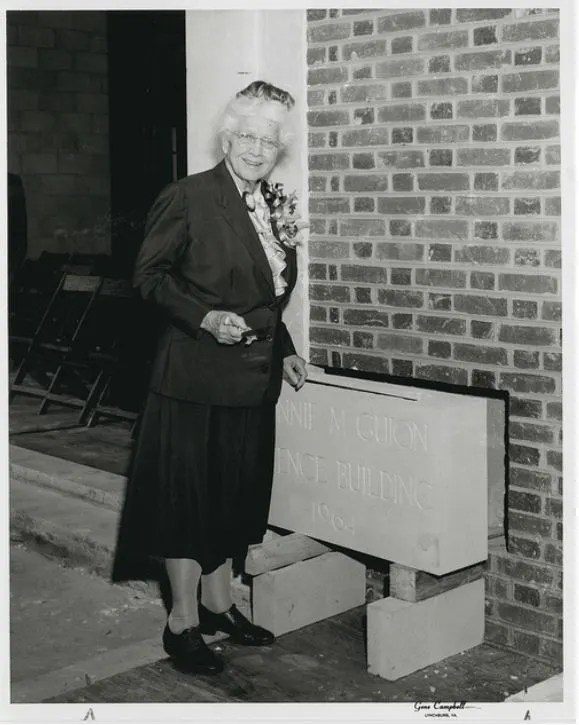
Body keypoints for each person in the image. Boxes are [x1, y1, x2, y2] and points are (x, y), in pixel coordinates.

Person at [112, 81, 307, 675]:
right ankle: (182, 621)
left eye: (268, 140)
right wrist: (204, 317)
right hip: (193, 378)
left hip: (252, 379)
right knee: (187, 501)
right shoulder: (189, 197)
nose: (256, 148)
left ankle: (221, 606)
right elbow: (148, 276)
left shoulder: (274, 203)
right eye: (247, 135)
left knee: (234, 495)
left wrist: (286, 348)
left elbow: (264, 294)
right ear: (228, 136)